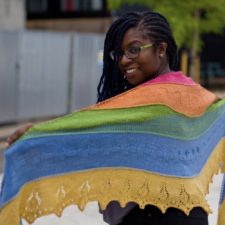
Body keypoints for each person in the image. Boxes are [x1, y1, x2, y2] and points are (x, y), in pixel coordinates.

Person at [5, 11, 221, 225]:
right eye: (119, 53)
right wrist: (39, 135)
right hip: (194, 217)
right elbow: (88, 133)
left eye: (134, 50)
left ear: (161, 49)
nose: (124, 60)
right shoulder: (196, 95)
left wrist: (37, 136)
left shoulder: (147, 103)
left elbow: (83, 133)